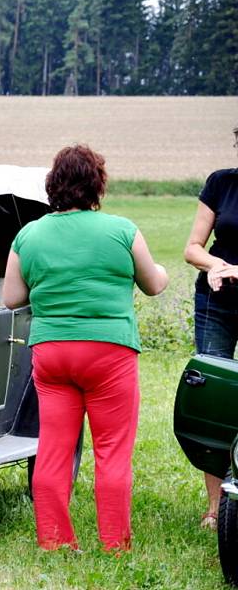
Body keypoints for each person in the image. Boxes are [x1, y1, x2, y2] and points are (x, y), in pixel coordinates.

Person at [3, 145, 168, 552]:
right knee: (111, 451)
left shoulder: (29, 234)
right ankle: (114, 543)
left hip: (52, 352)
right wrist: (159, 269)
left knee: (55, 449)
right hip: (110, 352)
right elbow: (154, 284)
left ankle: (56, 541)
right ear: (98, 185)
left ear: (53, 185)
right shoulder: (122, 230)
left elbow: (10, 297)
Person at [183, 123, 238, 531]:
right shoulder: (221, 183)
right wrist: (214, 265)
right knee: (215, 397)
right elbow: (192, 247)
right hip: (215, 302)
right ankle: (216, 507)